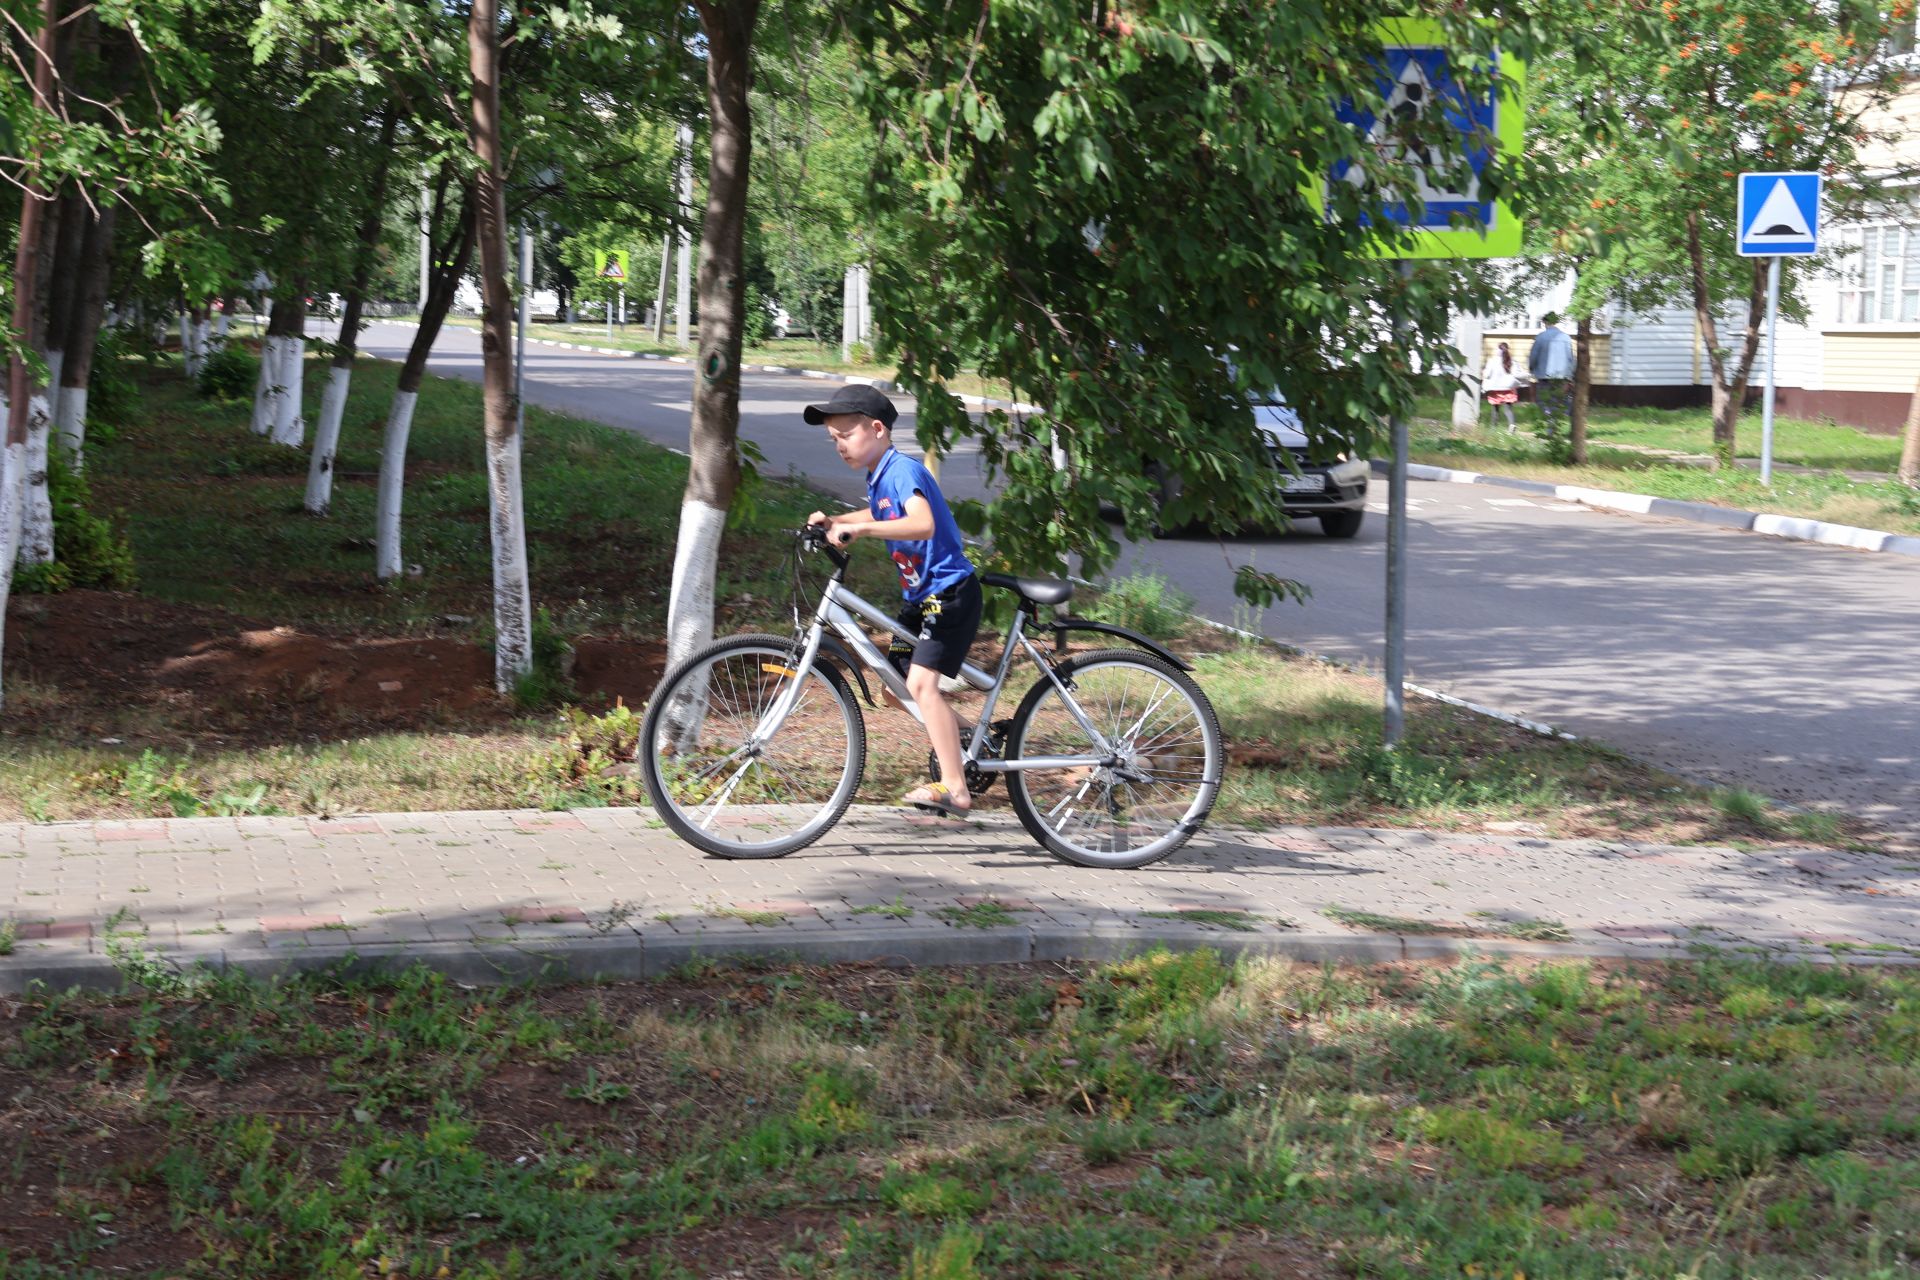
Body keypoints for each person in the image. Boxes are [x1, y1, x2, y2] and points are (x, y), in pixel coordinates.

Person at [804, 384, 982, 818]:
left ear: (878, 428)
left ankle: (956, 788)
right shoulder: (880, 475)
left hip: (948, 592)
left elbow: (920, 524)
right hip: (922, 599)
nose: (839, 445)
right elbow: (882, 513)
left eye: (845, 434)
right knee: (895, 687)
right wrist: (836, 520)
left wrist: (859, 532)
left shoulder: (901, 470)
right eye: (833, 439)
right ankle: (976, 741)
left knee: (921, 684)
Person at [1528, 313, 1575, 444]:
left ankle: (1551, 430)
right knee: (1560, 402)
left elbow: (1533, 356)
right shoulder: (1566, 338)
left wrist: (1532, 369)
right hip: (1562, 377)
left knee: (1544, 402)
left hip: (1544, 376)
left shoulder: (1540, 337)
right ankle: (1559, 430)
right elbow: (1571, 359)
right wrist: (1570, 377)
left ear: (1545, 322)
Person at [1480, 341, 1522, 432]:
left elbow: (1487, 374)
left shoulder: (1492, 361)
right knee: (1508, 409)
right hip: (1508, 388)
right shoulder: (1512, 361)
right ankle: (1512, 425)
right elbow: (1517, 374)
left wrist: (1483, 373)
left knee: (1495, 409)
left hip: (1495, 389)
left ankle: (1493, 428)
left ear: (1498, 350)